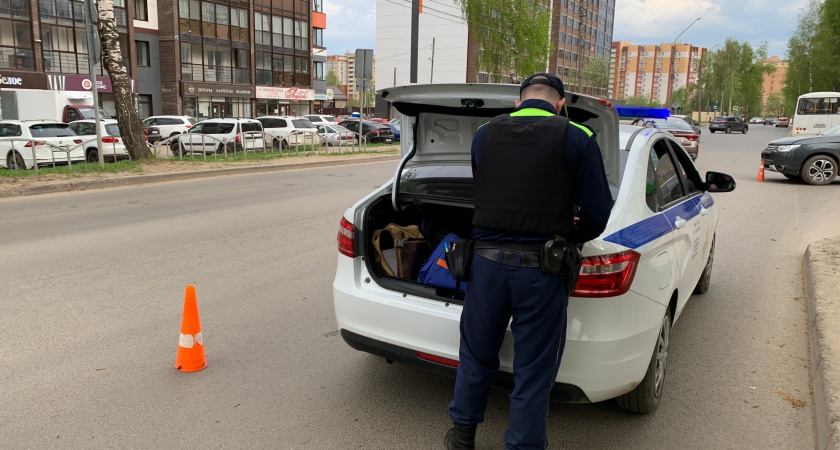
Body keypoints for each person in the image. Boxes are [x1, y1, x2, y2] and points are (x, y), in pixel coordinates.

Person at [444, 73, 613, 450]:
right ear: (559, 104)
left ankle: (461, 436)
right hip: (541, 271)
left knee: (475, 356)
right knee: (533, 370)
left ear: (519, 103)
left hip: (485, 268)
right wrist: (565, 235)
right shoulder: (577, 136)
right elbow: (597, 215)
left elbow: (483, 186)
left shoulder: (485, 133)